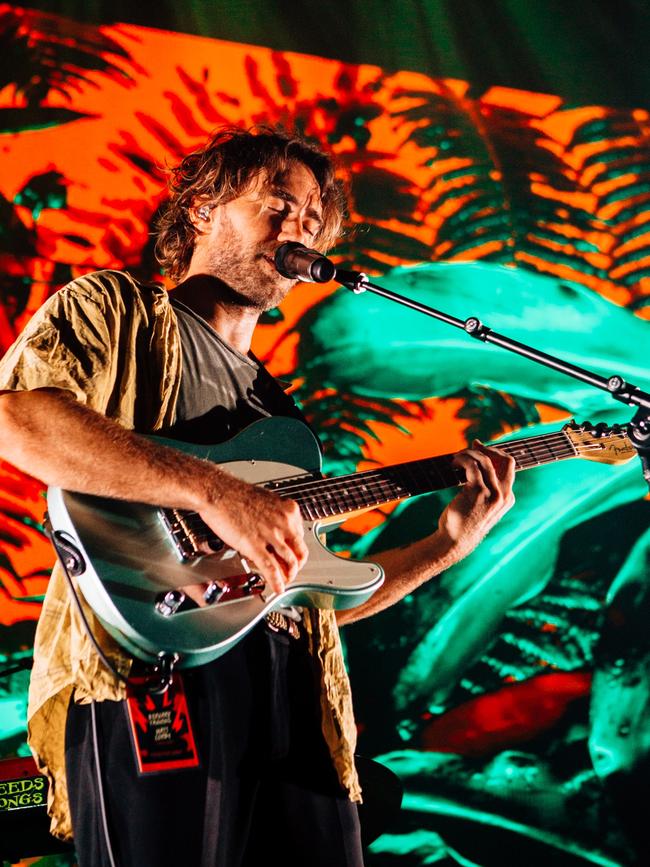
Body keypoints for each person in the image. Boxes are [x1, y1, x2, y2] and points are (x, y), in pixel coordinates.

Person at [0, 126, 515, 866]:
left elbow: (311, 599)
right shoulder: (118, 309)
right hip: (152, 669)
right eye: (280, 203)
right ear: (204, 208)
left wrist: (448, 545)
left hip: (292, 699)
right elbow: (16, 419)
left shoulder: (281, 421)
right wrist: (212, 492)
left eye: (312, 217)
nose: (299, 227)